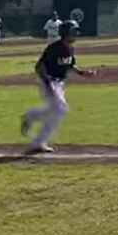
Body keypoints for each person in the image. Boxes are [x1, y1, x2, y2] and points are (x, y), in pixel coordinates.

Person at [20, 21, 96, 153]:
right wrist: (48, 84)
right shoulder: (54, 48)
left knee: (56, 111)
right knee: (61, 109)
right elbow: (39, 66)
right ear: (67, 33)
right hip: (48, 81)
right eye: (74, 31)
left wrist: (82, 73)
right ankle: (38, 139)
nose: (76, 34)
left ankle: (32, 117)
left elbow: (70, 65)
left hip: (59, 83)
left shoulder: (69, 48)